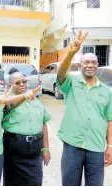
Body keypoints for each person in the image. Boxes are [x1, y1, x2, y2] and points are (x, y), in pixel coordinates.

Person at [56, 30, 112, 186]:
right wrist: (71, 52)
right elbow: (61, 73)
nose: (90, 65)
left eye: (94, 62)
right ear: (80, 65)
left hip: (96, 146)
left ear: (97, 66)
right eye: (86, 62)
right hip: (73, 145)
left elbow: (109, 119)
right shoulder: (71, 83)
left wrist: (110, 146)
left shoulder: (106, 91)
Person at [2, 71, 51, 186]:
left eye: (24, 81)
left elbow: (43, 123)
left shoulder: (36, 100)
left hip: (35, 154)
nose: (22, 84)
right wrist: (24, 97)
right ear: (11, 85)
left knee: (36, 182)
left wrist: (46, 149)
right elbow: (10, 106)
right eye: (17, 83)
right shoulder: (7, 100)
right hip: (14, 154)